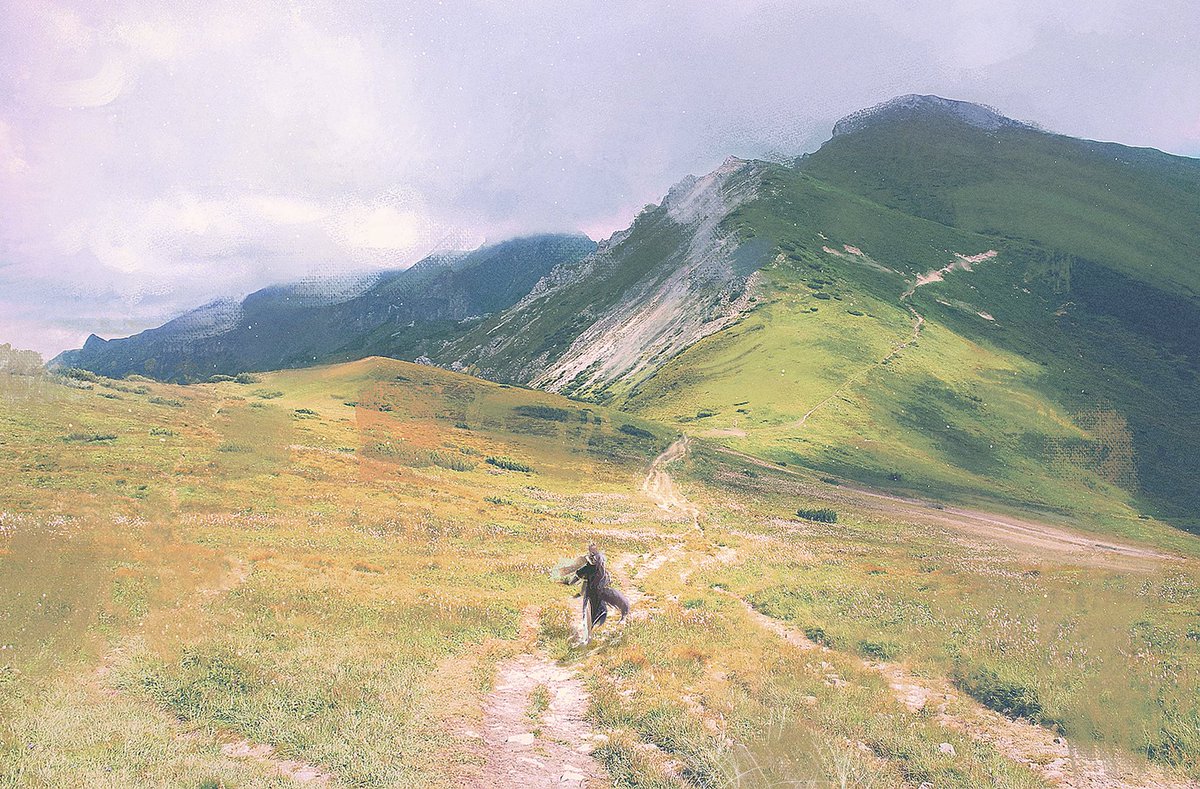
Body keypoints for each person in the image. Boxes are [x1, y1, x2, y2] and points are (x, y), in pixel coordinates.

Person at [559, 543, 630, 644]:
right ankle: (591, 634)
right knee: (594, 613)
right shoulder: (601, 568)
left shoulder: (591, 567)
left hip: (592, 593)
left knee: (589, 614)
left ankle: (589, 636)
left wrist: (569, 583)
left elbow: (577, 577)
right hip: (598, 591)